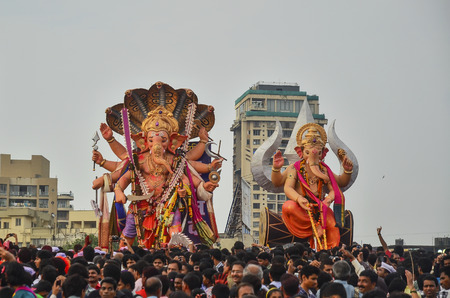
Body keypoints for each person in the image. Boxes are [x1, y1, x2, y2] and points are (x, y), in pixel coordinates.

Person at [272, 123, 353, 249]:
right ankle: (315, 225)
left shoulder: (324, 170)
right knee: (288, 206)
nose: (313, 156)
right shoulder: (295, 168)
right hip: (301, 208)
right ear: (301, 152)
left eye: (318, 153)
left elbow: (337, 187)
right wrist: (299, 199)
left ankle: (330, 252)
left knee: (332, 225)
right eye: (308, 152)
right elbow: (287, 187)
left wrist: (346, 171)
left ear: (323, 153)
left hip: (321, 208)